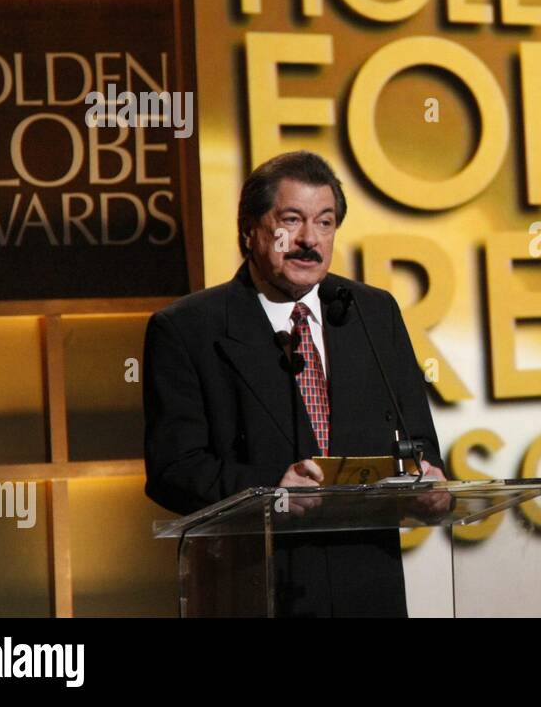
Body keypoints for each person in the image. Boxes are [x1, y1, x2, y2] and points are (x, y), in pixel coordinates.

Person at [143, 150, 446, 616]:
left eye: (325, 223)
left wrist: (428, 480)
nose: (310, 239)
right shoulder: (188, 329)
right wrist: (272, 492)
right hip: (254, 588)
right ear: (250, 230)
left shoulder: (372, 312)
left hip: (368, 590)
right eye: (292, 220)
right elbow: (173, 470)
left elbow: (418, 440)